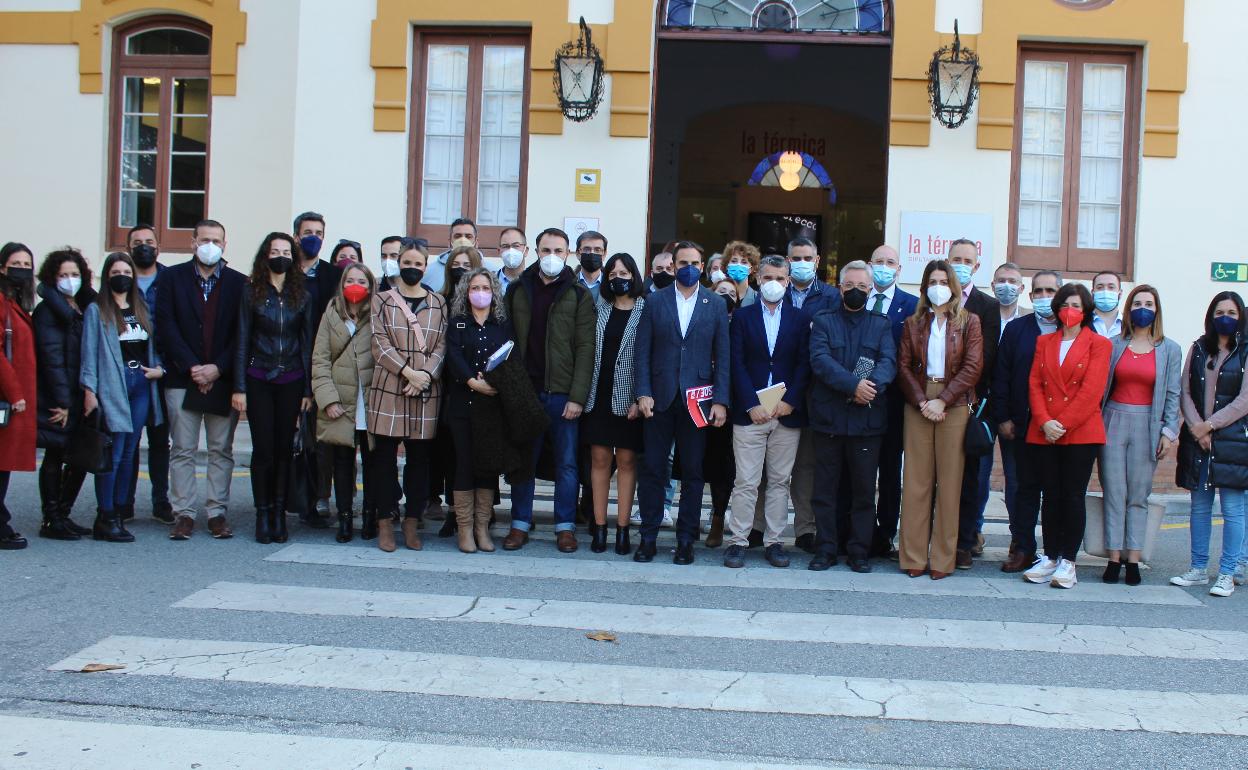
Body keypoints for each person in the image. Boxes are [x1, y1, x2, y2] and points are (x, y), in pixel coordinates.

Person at [635, 240, 730, 565]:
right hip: (659, 397)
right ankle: (648, 536)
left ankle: (686, 539)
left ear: (702, 267)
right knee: (653, 469)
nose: (688, 268)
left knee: (692, 472)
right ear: (673, 266)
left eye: (694, 262)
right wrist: (643, 392)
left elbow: (724, 356)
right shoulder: (654, 301)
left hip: (698, 401)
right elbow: (642, 352)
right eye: (682, 262)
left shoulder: (715, 304)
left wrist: (721, 401)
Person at [501, 227, 595, 552]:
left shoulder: (579, 295)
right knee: (524, 460)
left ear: (568, 254)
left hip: (562, 394)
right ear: (535, 252)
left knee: (567, 463)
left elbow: (586, 349)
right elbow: (507, 340)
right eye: (545, 250)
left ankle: (565, 527)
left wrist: (577, 396)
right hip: (527, 391)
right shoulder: (517, 290)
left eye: (558, 251)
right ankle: (519, 524)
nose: (551, 256)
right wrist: (512, 390)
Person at [156, 219, 246, 541]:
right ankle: (183, 514)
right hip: (183, 377)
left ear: (225, 244)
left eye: (217, 240)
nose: (211, 245)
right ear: (193, 242)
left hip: (222, 379)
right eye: (204, 239)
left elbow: (242, 333)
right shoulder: (171, 278)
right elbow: (166, 325)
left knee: (221, 449)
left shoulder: (240, 283)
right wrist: (194, 367)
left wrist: (217, 368)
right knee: (182, 448)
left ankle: (217, 513)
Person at [722, 255, 810, 569]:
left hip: (786, 414)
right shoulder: (742, 318)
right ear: (759, 279)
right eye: (769, 277)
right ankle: (738, 541)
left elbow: (804, 364)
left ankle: (774, 542)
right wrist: (751, 403)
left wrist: (791, 401)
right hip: (751, 414)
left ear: (788, 282)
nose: (775, 283)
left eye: (781, 279)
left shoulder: (800, 320)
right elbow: (736, 363)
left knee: (779, 482)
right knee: (746, 481)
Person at [807, 260, 896, 572]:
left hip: (866, 422)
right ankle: (826, 549)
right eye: (850, 286)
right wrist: (853, 385)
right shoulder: (823, 320)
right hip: (828, 419)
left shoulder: (881, 324)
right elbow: (819, 361)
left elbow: (888, 361)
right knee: (825, 491)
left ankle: (859, 550)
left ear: (870, 290)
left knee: (862, 491)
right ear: (839, 287)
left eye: (862, 287)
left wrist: (870, 387)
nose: (855, 291)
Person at [897, 259, 982, 579]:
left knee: (949, 484)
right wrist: (922, 401)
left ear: (954, 287)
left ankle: (943, 559)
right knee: (916, 482)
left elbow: (973, 367)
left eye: (944, 281)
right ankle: (913, 557)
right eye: (932, 281)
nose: (938, 287)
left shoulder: (969, 322)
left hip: (955, 403)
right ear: (923, 287)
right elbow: (902, 366)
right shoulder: (912, 323)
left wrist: (942, 400)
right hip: (918, 401)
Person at [1022, 283, 1111, 590]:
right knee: (1050, 495)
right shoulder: (1044, 341)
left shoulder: (1099, 344)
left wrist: (1062, 424)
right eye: (1064, 304)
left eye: (1075, 305)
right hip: (1044, 430)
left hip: (1080, 432)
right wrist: (1045, 422)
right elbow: (1034, 384)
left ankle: (1068, 561)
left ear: (1085, 310)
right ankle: (1048, 555)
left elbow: (1092, 392)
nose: (1069, 310)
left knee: (1073, 496)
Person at [232, 233, 315, 544]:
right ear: (265, 256)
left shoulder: (301, 295)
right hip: (259, 377)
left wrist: (307, 389)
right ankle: (262, 513)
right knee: (263, 449)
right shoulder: (251, 292)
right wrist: (239, 387)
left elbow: (306, 344)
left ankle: (280, 514)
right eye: (275, 251)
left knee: (283, 449)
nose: (280, 256)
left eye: (286, 251)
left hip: (291, 379)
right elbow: (241, 339)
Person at [80, 252, 166, 543]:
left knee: (130, 453)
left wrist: (159, 371)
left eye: (127, 272)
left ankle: (117, 512)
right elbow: (89, 354)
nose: (123, 277)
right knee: (112, 455)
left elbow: (153, 347)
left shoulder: (140, 308)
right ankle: (104, 516)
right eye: (117, 272)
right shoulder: (98, 311)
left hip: (140, 383)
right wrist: (89, 391)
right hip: (112, 386)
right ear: (107, 276)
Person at [368, 240, 448, 553]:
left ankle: (412, 521)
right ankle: (385, 520)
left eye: (418, 264)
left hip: (425, 390)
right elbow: (379, 342)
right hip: (390, 385)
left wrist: (425, 375)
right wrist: (408, 372)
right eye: (407, 263)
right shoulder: (382, 300)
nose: (412, 268)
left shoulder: (438, 302)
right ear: (398, 263)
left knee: (419, 461)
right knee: (384, 460)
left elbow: (442, 344)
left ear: (425, 266)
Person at [1098, 284, 1181, 585]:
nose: (1143, 308)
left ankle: (1133, 557)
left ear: (1156, 309)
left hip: (1148, 423)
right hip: (1113, 421)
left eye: (1148, 303)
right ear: (1129, 309)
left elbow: (1173, 394)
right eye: (1137, 304)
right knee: (1114, 493)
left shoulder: (1169, 349)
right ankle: (1113, 557)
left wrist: (1168, 433)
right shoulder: (1114, 344)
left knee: (1138, 494)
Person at [1172, 292, 1248, 598]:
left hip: (1231, 442)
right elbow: (1185, 391)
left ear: (1240, 315)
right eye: (1220, 311)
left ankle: (1228, 572)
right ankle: (1198, 569)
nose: (1225, 317)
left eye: (1231, 311)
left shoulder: (1245, 350)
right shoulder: (1199, 348)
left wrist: (1211, 425)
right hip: (1198, 440)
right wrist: (1196, 427)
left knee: (1232, 509)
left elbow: (1245, 400)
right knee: (1199, 507)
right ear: (1211, 315)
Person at [992, 270, 1061, 572]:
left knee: (1055, 490)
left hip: (1059, 428)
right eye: (1039, 291)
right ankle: (1021, 546)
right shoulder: (1017, 329)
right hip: (1020, 424)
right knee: (1020, 488)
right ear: (1030, 296)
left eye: (1051, 291)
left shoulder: (1071, 331)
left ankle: (1054, 551)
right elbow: (1002, 375)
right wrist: (1003, 416)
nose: (1045, 297)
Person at [780, 236, 843, 553]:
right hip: (777, 389)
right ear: (787, 260)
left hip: (815, 392)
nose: (801, 263)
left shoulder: (831, 297)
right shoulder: (776, 290)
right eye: (796, 257)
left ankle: (805, 528)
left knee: (806, 466)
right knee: (771, 465)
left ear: (818, 261)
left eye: (807, 258)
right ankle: (759, 527)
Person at [444, 267, 512, 553]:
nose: (480, 293)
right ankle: (464, 530)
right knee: (464, 464)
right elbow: (453, 355)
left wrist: (492, 382)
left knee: (486, 466)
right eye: (475, 288)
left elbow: (511, 355)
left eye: (485, 288)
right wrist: (473, 381)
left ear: (493, 291)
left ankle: (482, 528)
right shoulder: (458, 322)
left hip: (491, 407)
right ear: (466, 292)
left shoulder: (501, 323)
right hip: (462, 403)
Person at [582, 254, 646, 554]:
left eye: (624, 272)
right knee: (599, 461)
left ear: (634, 276)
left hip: (629, 397)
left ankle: (622, 528)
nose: (618, 277)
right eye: (612, 272)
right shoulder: (599, 307)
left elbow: (648, 358)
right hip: (598, 394)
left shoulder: (646, 310)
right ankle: (599, 527)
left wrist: (639, 397)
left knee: (627, 462)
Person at [311, 262, 378, 544]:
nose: (355, 286)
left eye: (361, 281)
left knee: (373, 461)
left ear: (370, 286)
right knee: (341, 462)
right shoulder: (331, 313)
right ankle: (345, 517)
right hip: (340, 400)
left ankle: (372, 515)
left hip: (371, 400)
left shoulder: (378, 313)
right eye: (350, 280)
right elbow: (320, 360)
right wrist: (327, 399)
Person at [33, 248, 96, 540]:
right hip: (61, 396)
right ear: (52, 277)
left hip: (81, 393)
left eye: (74, 274)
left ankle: (63, 514)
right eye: (63, 275)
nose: (70, 280)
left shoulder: (83, 307)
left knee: (80, 455)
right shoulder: (49, 311)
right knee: (55, 455)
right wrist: (63, 402)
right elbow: (51, 358)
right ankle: (52, 518)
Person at [947, 238, 1000, 568]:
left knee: (970, 479)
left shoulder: (987, 305)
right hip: (934, 402)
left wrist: (958, 392)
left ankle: (964, 542)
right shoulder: (932, 299)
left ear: (976, 266)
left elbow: (986, 357)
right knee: (937, 477)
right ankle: (936, 538)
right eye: (956, 259)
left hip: (970, 404)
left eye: (967, 260)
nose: (961, 265)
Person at [865, 244, 918, 557]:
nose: (884, 267)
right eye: (879, 262)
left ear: (899, 270)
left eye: (890, 263)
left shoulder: (911, 306)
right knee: (860, 471)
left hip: (896, 403)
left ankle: (885, 533)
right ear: (871, 266)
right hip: (858, 400)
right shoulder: (856, 300)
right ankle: (860, 530)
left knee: (889, 472)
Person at [294, 211, 341, 528]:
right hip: (285, 364)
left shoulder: (331, 276)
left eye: (319, 232)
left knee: (317, 441)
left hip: (322, 365)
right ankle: (283, 500)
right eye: (308, 231)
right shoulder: (284, 271)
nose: (314, 237)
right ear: (296, 235)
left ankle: (316, 499)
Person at [125, 224, 172, 523]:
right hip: (128, 370)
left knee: (159, 440)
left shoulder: (170, 280)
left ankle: (160, 500)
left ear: (158, 246)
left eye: (149, 242)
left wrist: (165, 368)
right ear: (129, 248)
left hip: (162, 369)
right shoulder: (121, 279)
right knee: (129, 440)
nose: (144, 246)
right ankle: (123, 500)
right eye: (138, 242)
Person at [0, 243, 37, 550]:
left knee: (4, 463)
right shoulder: (1, 302)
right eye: (16, 263)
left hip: (15, 397)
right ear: (3, 268)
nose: (22, 268)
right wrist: (15, 394)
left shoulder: (17, 303)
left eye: (27, 263)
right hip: (8, 398)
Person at [424, 218, 477, 294]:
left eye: (468, 237)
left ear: (476, 242)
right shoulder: (429, 271)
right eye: (458, 236)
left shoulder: (491, 270)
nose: (462, 240)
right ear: (449, 242)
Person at [574, 230, 608, 306]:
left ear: (604, 254)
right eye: (586, 249)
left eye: (597, 250)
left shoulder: (611, 284)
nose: (592, 253)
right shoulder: (568, 284)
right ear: (578, 254)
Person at [722, 240, 758, 308]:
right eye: (734, 261)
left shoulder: (758, 299)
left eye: (744, 262)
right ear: (727, 266)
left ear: (751, 269)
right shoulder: (716, 296)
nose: (738, 265)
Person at [993, 262, 1026, 331]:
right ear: (993, 286)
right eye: (1001, 281)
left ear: (1021, 288)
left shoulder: (1030, 317)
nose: (1007, 285)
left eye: (1012, 281)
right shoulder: (980, 316)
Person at [1091, 271, 1123, 338]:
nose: (1105, 291)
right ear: (1092, 293)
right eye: (1099, 287)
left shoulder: (1131, 325)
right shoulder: (1082, 323)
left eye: (1111, 287)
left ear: (1120, 293)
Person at [497, 227, 528, 295]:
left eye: (516, 246)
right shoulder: (490, 282)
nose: (511, 250)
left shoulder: (536, 283)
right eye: (505, 246)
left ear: (526, 251)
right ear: (499, 251)